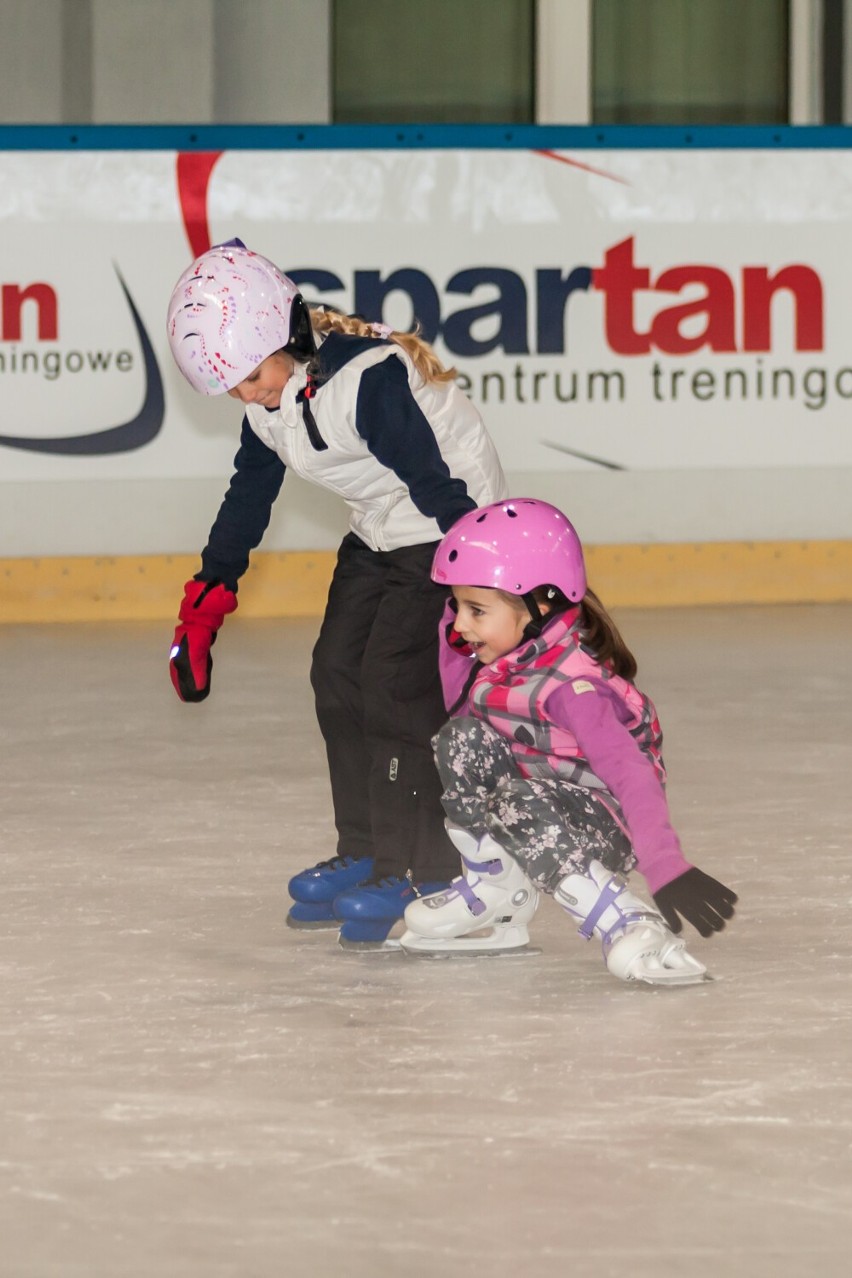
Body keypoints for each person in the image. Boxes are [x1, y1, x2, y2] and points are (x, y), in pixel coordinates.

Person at [165, 240, 507, 949]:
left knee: (393, 683)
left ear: (284, 336)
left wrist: (484, 573)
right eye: (234, 388)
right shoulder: (270, 399)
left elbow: (433, 478)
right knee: (334, 674)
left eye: (253, 377)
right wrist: (210, 589)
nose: (250, 395)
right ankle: (363, 850)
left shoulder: (369, 380)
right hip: (380, 526)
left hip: (449, 521)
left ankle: (423, 868)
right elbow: (249, 495)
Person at [399, 498, 737, 985]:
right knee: (460, 739)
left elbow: (631, 774)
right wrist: (457, 635)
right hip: (542, 797)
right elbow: (459, 708)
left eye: (475, 609)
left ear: (540, 605)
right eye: (456, 607)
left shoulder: (573, 687)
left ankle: (625, 918)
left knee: (514, 799)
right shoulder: (512, 661)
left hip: (604, 819)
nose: (459, 625)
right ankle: (496, 888)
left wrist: (664, 865)